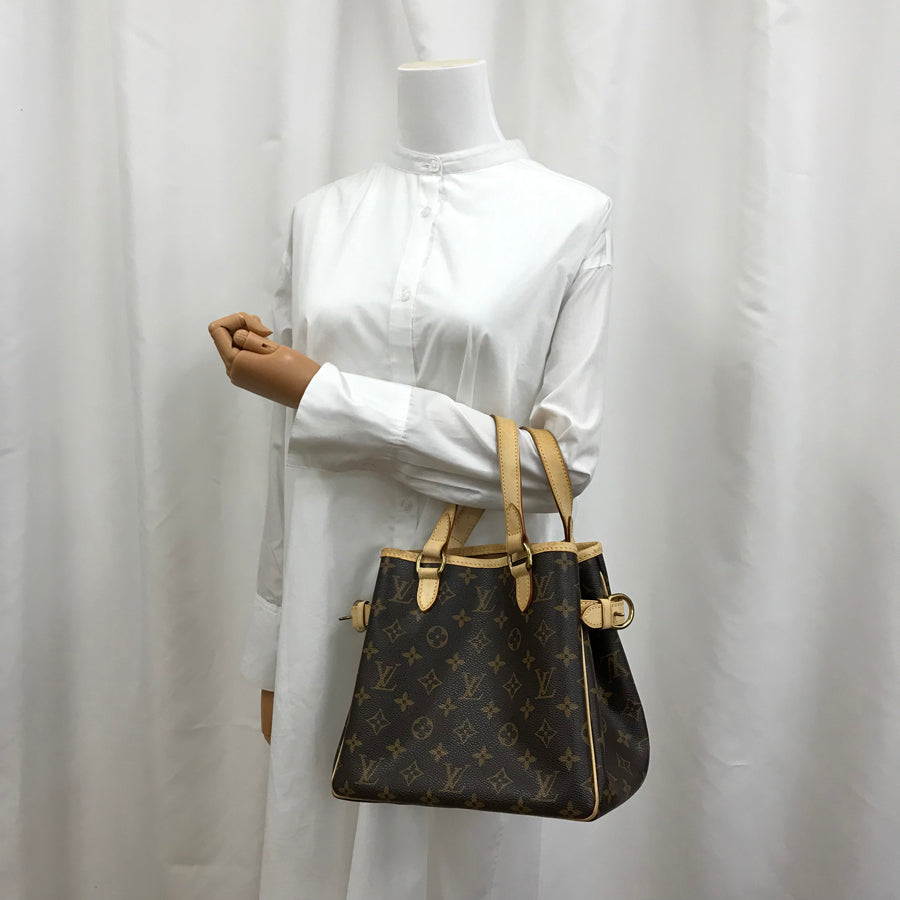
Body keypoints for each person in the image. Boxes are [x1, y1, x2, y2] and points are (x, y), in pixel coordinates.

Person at [209, 57, 614, 900]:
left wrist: (326, 393)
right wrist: (272, 644)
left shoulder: (571, 216)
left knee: (459, 865)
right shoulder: (320, 217)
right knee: (317, 860)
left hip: (485, 632)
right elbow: (290, 450)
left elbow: (557, 467)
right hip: (324, 609)